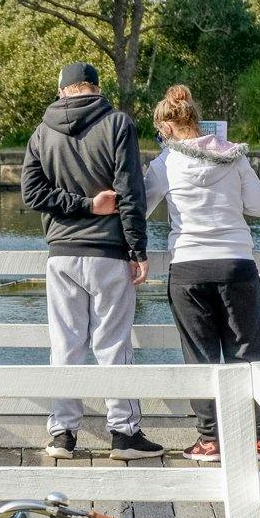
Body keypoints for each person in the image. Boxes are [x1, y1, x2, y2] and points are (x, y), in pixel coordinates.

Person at [20, 62, 164, 460]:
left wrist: (80, 205)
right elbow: (130, 193)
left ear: (62, 90)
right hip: (107, 254)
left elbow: (32, 194)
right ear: (95, 88)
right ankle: (124, 433)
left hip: (62, 256)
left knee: (65, 346)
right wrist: (137, 250)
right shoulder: (117, 124)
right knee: (113, 344)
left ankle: (62, 434)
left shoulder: (42, 131)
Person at [146, 84, 260, 463]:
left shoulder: (164, 165)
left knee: (200, 357)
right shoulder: (234, 157)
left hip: (189, 267)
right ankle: (255, 438)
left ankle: (210, 440)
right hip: (237, 263)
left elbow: (140, 205)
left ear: (167, 128)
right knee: (246, 353)